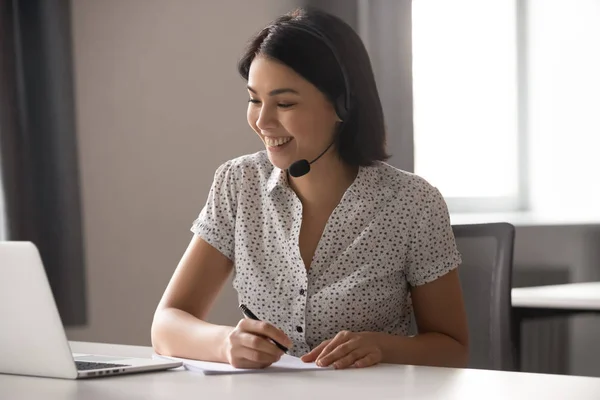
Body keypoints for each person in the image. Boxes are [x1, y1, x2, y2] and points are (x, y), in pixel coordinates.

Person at [151, 7, 468, 370]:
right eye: (255, 99)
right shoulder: (239, 183)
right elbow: (167, 324)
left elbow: (453, 348)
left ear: (342, 106)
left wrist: (382, 347)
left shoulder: (413, 202)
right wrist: (224, 343)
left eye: (284, 103)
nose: (263, 121)